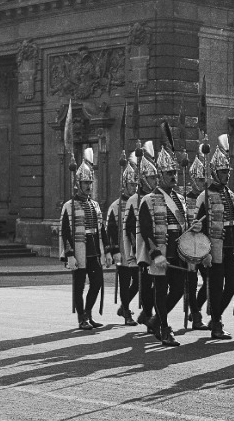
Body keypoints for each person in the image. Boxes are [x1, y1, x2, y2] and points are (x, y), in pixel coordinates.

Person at [195, 134, 234, 340]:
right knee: (216, 288)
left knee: (232, 286)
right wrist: (205, 251)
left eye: (227, 171)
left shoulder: (232, 195)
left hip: (230, 248)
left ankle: (215, 316)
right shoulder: (204, 196)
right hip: (214, 249)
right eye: (223, 171)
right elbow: (198, 227)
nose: (226, 175)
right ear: (214, 172)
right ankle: (216, 323)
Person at [139, 142, 189, 346]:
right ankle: (164, 328)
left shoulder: (179, 199)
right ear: (160, 175)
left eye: (175, 173)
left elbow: (182, 225)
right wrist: (155, 254)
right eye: (169, 173)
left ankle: (157, 320)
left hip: (177, 253)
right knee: (160, 291)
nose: (173, 177)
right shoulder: (148, 200)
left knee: (178, 289)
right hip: (159, 252)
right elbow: (146, 230)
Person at [59, 156, 112, 330]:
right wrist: (69, 255)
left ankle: (88, 313)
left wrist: (108, 250)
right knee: (79, 286)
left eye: (90, 182)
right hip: (79, 251)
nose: (89, 186)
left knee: (97, 283)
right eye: (85, 183)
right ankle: (82, 317)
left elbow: (101, 229)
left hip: (94, 250)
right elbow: (65, 232)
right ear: (78, 184)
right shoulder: (69, 205)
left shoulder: (95, 205)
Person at [125, 142, 159, 333]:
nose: (155, 181)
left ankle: (148, 313)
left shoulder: (157, 196)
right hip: (142, 247)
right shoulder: (134, 200)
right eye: (151, 177)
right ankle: (147, 313)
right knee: (146, 284)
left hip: (156, 244)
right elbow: (130, 227)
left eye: (156, 177)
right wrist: (134, 250)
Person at [106, 152, 140, 326]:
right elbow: (110, 230)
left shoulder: (139, 202)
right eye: (131, 184)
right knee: (125, 282)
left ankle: (123, 306)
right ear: (124, 185)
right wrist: (114, 251)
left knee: (139, 282)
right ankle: (126, 312)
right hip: (122, 250)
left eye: (136, 184)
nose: (134, 188)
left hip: (136, 250)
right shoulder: (115, 206)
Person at [184, 144, 211, 331]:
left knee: (209, 280)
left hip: (202, 245)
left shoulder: (206, 198)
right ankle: (195, 315)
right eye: (200, 179)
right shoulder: (183, 199)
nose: (203, 183)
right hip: (188, 247)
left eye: (204, 179)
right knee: (191, 283)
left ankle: (197, 307)